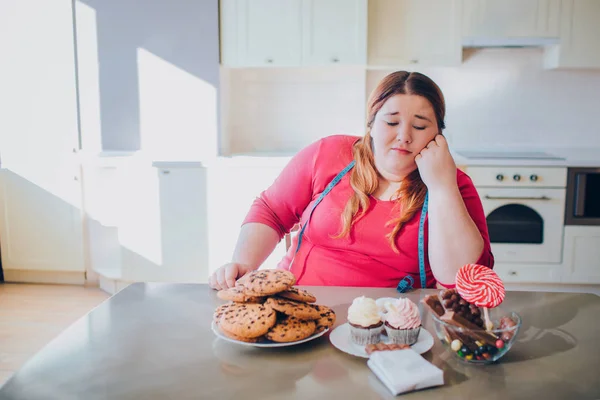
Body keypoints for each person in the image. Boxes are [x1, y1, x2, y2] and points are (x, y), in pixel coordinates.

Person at [209, 71, 494, 291]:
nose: (404, 136)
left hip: (394, 327)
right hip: (298, 304)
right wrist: (244, 263)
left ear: (437, 135)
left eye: (420, 126)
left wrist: (442, 186)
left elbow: (462, 279)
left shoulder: (454, 185)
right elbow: (272, 210)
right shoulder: (329, 154)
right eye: (391, 122)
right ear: (371, 123)